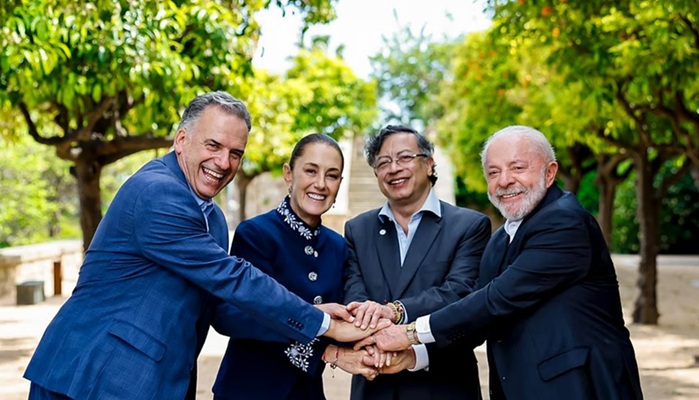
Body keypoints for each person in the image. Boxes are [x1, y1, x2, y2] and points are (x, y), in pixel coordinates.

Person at [23, 91, 385, 400]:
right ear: (181, 140)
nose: (223, 162)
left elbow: (218, 309)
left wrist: (335, 344)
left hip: (159, 381)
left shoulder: (213, 218)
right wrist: (322, 323)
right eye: (213, 145)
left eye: (235, 153)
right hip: (95, 375)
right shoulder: (158, 192)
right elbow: (233, 278)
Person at [357, 125, 644, 399]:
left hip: (582, 388)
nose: (504, 180)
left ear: (550, 172)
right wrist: (413, 357)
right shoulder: (499, 240)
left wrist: (409, 333)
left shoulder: (566, 222)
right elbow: (478, 318)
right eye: (493, 172)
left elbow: (497, 299)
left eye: (518, 168)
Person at [210, 133, 378, 400]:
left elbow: (343, 318)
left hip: (308, 392)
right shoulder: (255, 234)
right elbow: (230, 316)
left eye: (332, 175)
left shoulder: (337, 246)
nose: (320, 184)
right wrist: (324, 345)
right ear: (289, 174)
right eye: (311, 171)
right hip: (248, 390)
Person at [344, 125, 492, 399]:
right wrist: (373, 338)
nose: (394, 168)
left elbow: (458, 294)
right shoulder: (357, 229)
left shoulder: (469, 226)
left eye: (404, 157)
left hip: (443, 384)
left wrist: (395, 311)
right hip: (374, 385)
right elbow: (355, 295)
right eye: (383, 162)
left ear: (429, 163)